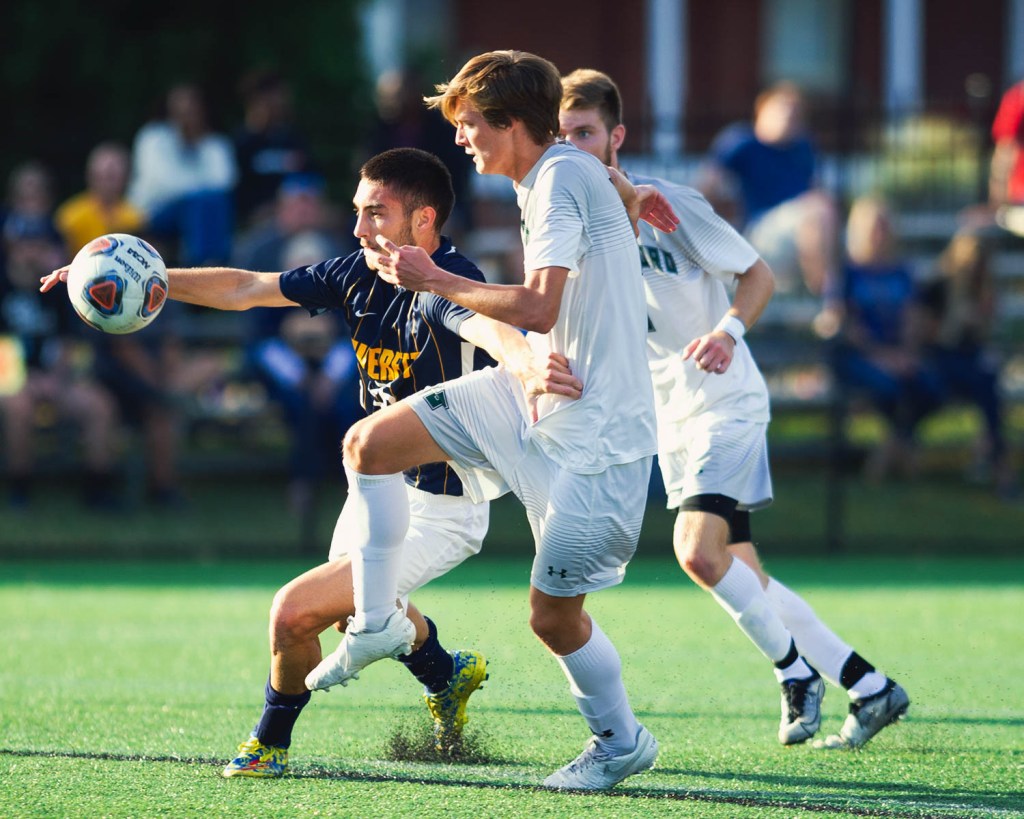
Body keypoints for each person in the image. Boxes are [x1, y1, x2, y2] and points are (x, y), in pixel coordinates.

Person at [43, 146, 580, 777]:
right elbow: (247, 287)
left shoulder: (448, 279)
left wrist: (528, 364)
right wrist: (146, 277)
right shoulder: (354, 272)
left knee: (295, 612)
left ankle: (268, 744)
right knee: (349, 607)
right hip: (377, 487)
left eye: (375, 213)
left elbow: (493, 330)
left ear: (424, 221)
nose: (358, 229)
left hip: (442, 507)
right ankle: (446, 672)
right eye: (356, 212)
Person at [303, 51, 674, 791]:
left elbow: (538, 306)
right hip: (533, 399)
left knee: (552, 619)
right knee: (369, 442)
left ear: (511, 123)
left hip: (597, 439)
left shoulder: (558, 178)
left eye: (470, 123)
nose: (460, 138)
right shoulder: (558, 173)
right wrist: (628, 191)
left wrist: (435, 278)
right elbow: (604, 192)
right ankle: (376, 621)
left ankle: (620, 741)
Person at [558, 68, 910, 750]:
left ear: (615, 137)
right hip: (671, 420)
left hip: (726, 402)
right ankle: (868, 686)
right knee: (745, 574)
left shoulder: (672, 204)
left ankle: (794, 673)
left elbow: (758, 273)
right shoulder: (570, 229)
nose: (573, 147)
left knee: (696, 551)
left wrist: (727, 331)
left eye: (585, 133)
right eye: (562, 136)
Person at [232, 174, 359, 513]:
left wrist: (330, 376)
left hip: (332, 361)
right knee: (301, 404)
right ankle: (303, 483)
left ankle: (352, 480)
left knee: (347, 404)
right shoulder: (261, 257)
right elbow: (259, 337)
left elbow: (351, 331)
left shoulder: (339, 261)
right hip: (279, 363)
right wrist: (297, 375)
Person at [1, 161, 119, 508]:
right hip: (12, 379)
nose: (30, 250)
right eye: (23, 243)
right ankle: (20, 489)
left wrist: (57, 377)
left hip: (57, 378)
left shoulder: (61, 288)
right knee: (19, 406)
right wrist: (24, 379)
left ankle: (98, 490)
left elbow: (71, 339)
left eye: (37, 243)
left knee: (100, 406)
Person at [831, 196, 942, 482]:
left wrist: (905, 353)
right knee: (891, 389)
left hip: (897, 354)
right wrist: (880, 357)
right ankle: (900, 455)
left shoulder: (901, 271)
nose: (879, 234)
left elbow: (912, 318)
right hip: (857, 357)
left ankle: (886, 451)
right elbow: (844, 324)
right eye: (873, 228)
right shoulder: (846, 273)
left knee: (931, 388)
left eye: (884, 227)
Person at [700, 81, 839, 300]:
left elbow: (815, 191)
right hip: (760, 234)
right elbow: (704, 189)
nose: (789, 116)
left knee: (824, 211)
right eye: (782, 108)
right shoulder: (741, 142)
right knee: (818, 210)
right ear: (762, 110)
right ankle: (826, 298)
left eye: (796, 113)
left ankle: (824, 293)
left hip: (799, 235)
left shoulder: (803, 148)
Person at [915, 230, 1018, 498]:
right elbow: (923, 335)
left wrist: (980, 321)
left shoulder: (981, 289)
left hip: (971, 364)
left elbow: (983, 340)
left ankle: (992, 458)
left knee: (988, 381)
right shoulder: (938, 285)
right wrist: (953, 321)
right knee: (986, 386)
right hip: (940, 360)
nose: (975, 266)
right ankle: (998, 465)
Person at [127, 83, 237, 266]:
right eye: (181, 111)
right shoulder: (153, 138)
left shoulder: (216, 144)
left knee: (211, 201)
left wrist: (196, 189)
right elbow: (164, 183)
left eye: (192, 110)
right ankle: (204, 267)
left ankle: (213, 264)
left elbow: (226, 182)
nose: (187, 116)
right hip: (154, 213)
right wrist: (201, 186)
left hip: (201, 209)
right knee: (202, 201)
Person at [233, 68, 316, 230]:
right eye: (275, 97)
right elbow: (238, 193)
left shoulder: (294, 139)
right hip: (259, 222)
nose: (281, 103)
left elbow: (312, 179)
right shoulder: (241, 142)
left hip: (299, 215)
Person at [54, 141, 147, 255]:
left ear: (126, 177)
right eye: (103, 176)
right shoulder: (70, 217)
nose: (107, 184)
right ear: (90, 175)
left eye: (112, 177)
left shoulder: (136, 218)